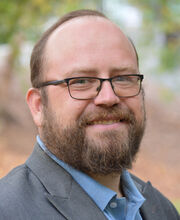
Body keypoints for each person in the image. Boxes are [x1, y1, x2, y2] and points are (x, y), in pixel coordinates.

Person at [0, 9, 179, 220]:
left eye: (123, 78)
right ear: (38, 106)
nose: (108, 97)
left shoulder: (162, 210)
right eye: (81, 81)